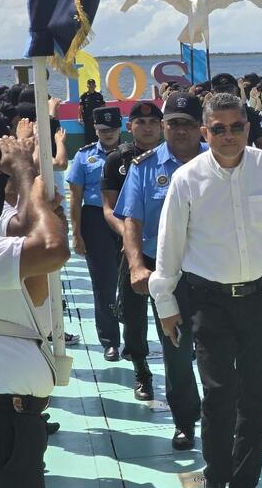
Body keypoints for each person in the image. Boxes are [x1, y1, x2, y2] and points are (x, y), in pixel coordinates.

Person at [149, 93, 262, 488]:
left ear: (248, 129)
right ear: (205, 133)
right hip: (209, 301)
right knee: (219, 396)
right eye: (218, 129)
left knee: (258, 400)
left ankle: (244, 486)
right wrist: (165, 301)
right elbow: (170, 245)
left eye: (236, 127)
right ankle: (216, 480)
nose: (228, 135)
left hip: (260, 298)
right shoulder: (187, 178)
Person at [0, 135, 69, 488]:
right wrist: (26, 172)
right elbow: (48, 248)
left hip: (5, 425)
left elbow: (22, 241)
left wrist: (32, 197)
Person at [114, 92, 205, 447]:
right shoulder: (144, 167)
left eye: (187, 124)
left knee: (219, 347)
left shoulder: (219, 163)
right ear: (164, 127)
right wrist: (136, 266)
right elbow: (132, 220)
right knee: (177, 348)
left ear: (200, 127)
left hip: (214, 270)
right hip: (166, 273)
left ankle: (220, 414)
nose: (180, 131)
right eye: (174, 124)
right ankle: (185, 419)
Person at [101, 101, 163, 400]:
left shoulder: (178, 157)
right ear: (130, 126)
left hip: (173, 248)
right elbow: (109, 209)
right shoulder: (117, 161)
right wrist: (131, 238)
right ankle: (141, 371)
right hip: (133, 251)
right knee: (135, 315)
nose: (148, 127)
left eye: (153, 122)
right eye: (140, 122)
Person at [67, 106, 122, 360]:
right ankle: (110, 340)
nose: (108, 134)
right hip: (95, 220)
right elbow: (75, 198)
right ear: (96, 130)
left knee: (136, 283)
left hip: (129, 219)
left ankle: (135, 339)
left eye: (112, 129)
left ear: (120, 128)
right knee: (104, 284)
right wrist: (76, 235)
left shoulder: (132, 155)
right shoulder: (84, 156)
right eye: (103, 130)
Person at [78, 78, 105, 145]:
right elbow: (80, 107)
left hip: (97, 120)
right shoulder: (83, 96)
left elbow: (103, 107)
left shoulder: (99, 96)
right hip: (87, 120)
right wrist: (79, 118)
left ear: (95, 86)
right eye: (90, 84)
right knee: (88, 137)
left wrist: (103, 117)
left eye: (93, 84)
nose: (91, 86)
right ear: (87, 86)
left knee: (98, 136)